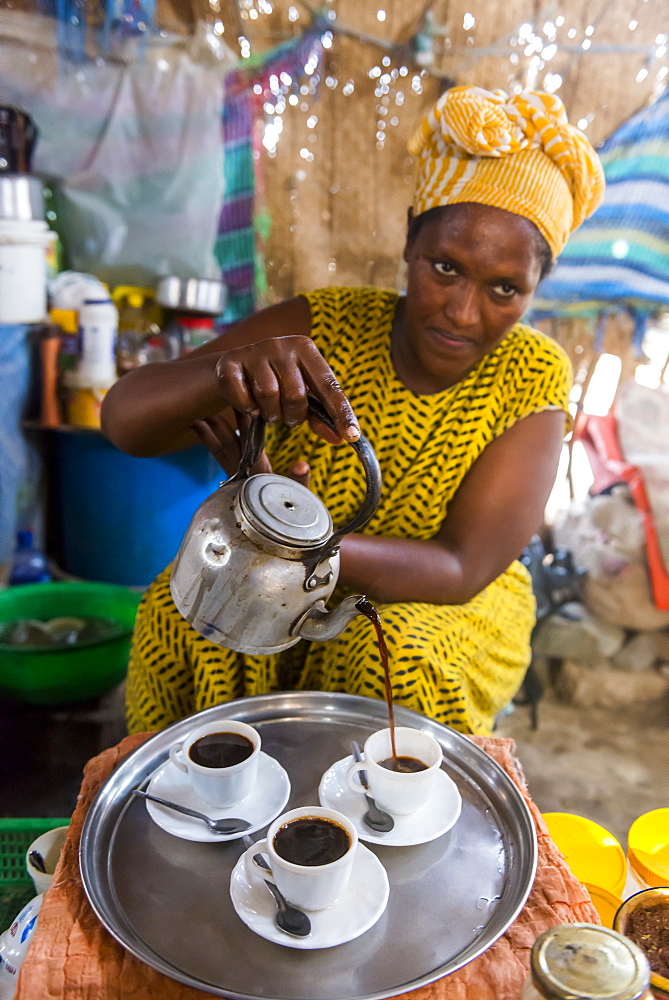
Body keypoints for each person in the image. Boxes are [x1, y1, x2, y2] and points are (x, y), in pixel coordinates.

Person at [101, 85, 605, 737]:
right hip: (281, 566)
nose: (462, 311)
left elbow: (461, 566)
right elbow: (124, 421)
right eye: (444, 267)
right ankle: (198, 818)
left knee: (385, 650)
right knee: (188, 619)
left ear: (535, 287)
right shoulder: (325, 327)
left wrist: (295, 541)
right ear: (407, 241)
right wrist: (222, 375)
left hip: (443, 602)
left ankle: (380, 830)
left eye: (504, 290)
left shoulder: (529, 376)